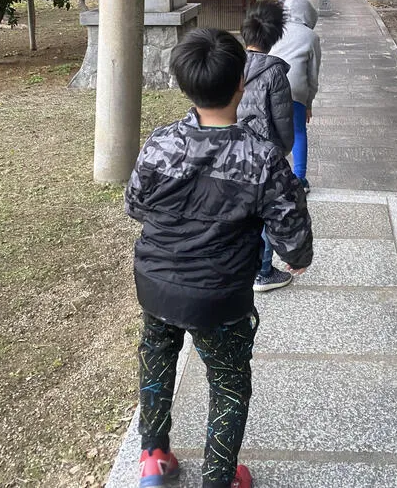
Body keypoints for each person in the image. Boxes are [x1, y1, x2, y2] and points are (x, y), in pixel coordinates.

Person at [125, 28, 312, 488]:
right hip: (220, 293)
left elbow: (135, 205)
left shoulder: (160, 142)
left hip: (156, 281)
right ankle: (219, 478)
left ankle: (153, 458)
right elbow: (290, 227)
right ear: (240, 85)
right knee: (228, 382)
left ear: (185, 85)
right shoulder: (262, 156)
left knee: (157, 358)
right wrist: (296, 258)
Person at [237, 0, 295, 294]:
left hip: (233, 150)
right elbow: (283, 119)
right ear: (274, 37)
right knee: (267, 211)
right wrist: (284, 149)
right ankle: (262, 271)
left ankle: (242, 264)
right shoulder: (275, 73)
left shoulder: (231, 65)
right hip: (266, 152)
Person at [269, 0, 321, 194]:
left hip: (272, 85)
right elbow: (312, 75)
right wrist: (308, 103)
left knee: (272, 131)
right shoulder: (311, 36)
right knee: (298, 132)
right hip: (296, 88)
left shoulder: (274, 30)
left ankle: (273, 176)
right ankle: (299, 179)